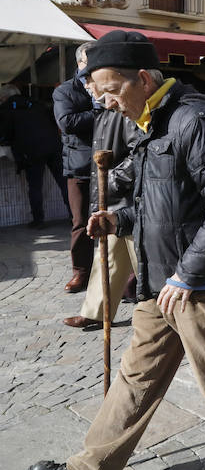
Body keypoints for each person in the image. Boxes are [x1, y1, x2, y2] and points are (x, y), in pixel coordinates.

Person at [27, 30, 205, 470]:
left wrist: (187, 275)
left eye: (111, 90)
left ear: (141, 78)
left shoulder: (191, 120)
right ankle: (89, 467)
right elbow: (156, 201)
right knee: (136, 376)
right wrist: (120, 219)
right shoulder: (149, 123)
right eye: (98, 94)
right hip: (158, 277)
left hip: (194, 281)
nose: (105, 103)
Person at [63, 59, 141, 329]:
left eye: (89, 81)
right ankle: (96, 311)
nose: (86, 87)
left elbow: (139, 152)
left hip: (130, 200)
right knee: (107, 258)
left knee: (142, 258)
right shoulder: (103, 110)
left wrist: (114, 180)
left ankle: (162, 309)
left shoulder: (124, 108)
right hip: (113, 199)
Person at [53, 42, 96, 294]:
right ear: (80, 63)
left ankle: (125, 278)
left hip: (111, 165)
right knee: (80, 222)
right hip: (79, 166)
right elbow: (67, 122)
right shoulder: (64, 91)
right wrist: (99, 111)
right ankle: (81, 273)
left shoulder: (105, 85)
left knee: (117, 221)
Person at [0, 84, 67, 228]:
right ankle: (75, 216)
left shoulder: (5, 109)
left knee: (35, 186)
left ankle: (38, 221)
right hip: (53, 145)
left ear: (4, 97)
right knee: (64, 182)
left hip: (31, 151)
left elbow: (4, 134)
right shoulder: (36, 104)